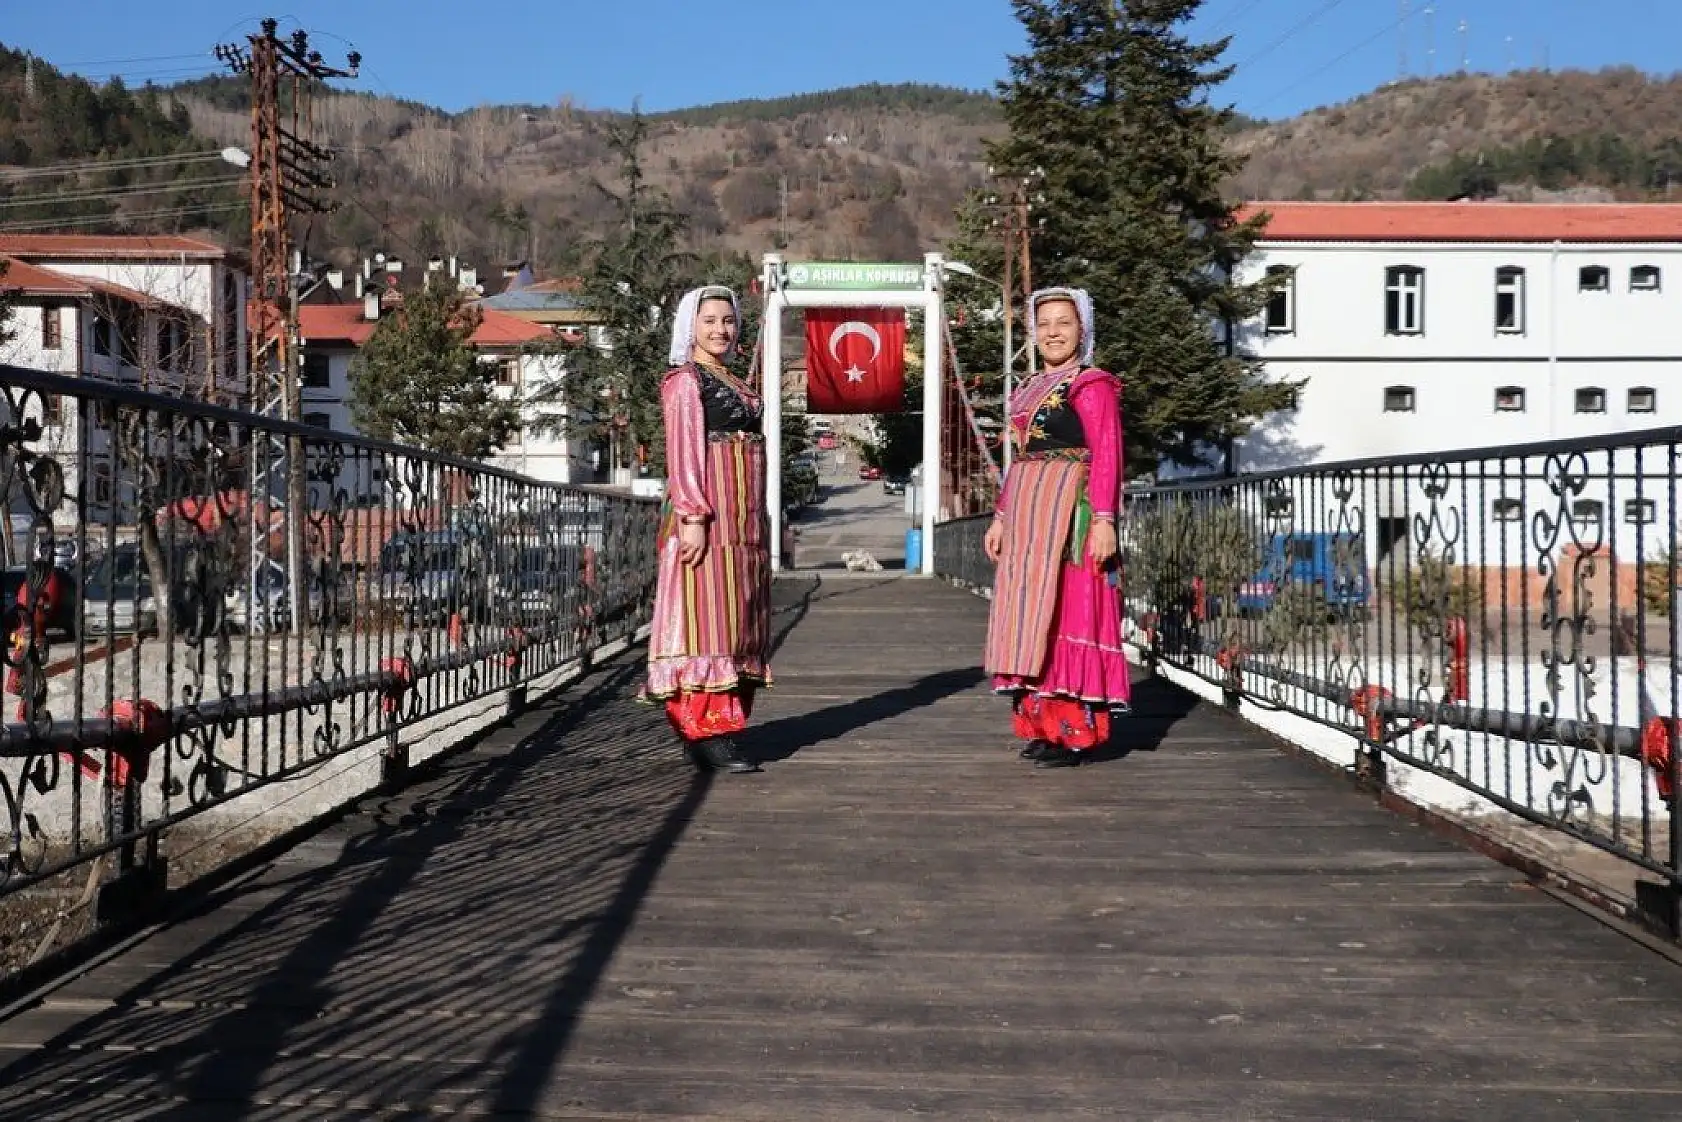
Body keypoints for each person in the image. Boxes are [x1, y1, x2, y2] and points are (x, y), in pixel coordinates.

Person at [983, 287, 1131, 768]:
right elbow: (1020, 460)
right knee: (1032, 617)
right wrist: (1001, 516)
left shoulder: (1092, 384)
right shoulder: (1026, 389)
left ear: (1081, 329)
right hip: (1029, 515)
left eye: (1063, 322)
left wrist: (1104, 519)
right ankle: (1045, 726)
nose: (1052, 332)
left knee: (1068, 611)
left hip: (1071, 514)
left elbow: (1106, 452)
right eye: (1044, 323)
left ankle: (1075, 732)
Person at [641, 285, 771, 774]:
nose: (720, 329)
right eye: (710, 320)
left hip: (744, 520)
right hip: (710, 515)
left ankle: (720, 728)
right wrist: (692, 517)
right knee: (706, 617)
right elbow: (684, 453)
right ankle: (706, 730)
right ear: (689, 326)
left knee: (736, 617)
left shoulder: (732, 380)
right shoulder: (685, 381)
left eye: (728, 320)